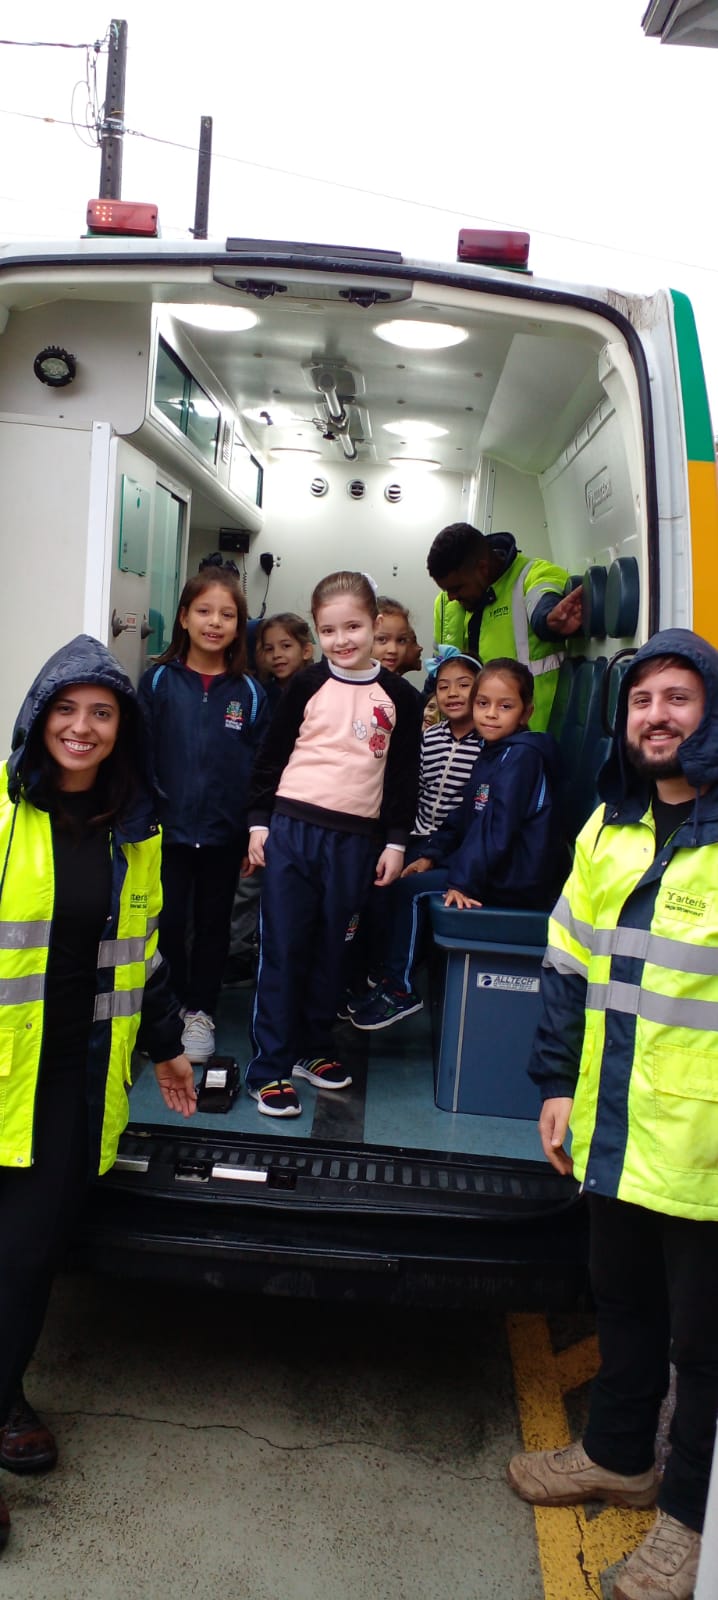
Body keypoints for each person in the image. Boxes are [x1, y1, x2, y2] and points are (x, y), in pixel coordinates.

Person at [506, 629, 718, 1600]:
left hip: (703, 1146)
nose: (656, 716)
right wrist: (556, 1084)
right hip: (615, 1124)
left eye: (678, 698)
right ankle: (618, 1456)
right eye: (641, 700)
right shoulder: (608, 827)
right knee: (621, 1301)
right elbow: (566, 966)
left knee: (703, 1349)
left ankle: (690, 1526)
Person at [0, 635, 196, 1552]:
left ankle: (4, 1397)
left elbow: (140, 953)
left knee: (28, 1255)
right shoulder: (5, 813)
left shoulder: (135, 834)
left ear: (125, 729)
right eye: (66, 709)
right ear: (38, 718)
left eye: (102, 713)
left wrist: (168, 1046)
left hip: (68, 1075)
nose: (82, 728)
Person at [245, 570, 421, 1117]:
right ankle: (269, 1067)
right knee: (284, 949)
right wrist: (258, 824)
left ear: (375, 624)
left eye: (353, 627)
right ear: (317, 632)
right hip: (293, 832)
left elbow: (403, 778)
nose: (342, 640)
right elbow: (271, 757)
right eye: (328, 630)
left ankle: (313, 1048)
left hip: (356, 843)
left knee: (334, 951)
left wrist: (396, 843)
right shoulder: (305, 685)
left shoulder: (401, 697)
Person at [350, 658, 564, 1030]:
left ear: (526, 712)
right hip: (496, 868)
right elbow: (465, 816)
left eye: (505, 706)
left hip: (516, 879)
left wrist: (464, 882)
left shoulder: (522, 756)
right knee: (407, 878)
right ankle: (387, 978)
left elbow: (497, 831)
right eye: (483, 703)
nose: (491, 714)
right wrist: (432, 856)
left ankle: (400, 989)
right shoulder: (494, 751)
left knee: (411, 892)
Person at [138, 568, 268, 1064]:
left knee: (214, 926)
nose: (215, 622)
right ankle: (167, 1010)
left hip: (223, 835)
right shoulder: (157, 682)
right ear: (184, 618)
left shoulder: (250, 693)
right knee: (168, 923)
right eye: (204, 611)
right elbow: (139, 758)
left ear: (239, 626)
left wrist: (254, 828)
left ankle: (200, 1013)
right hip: (165, 832)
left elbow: (262, 771)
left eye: (227, 615)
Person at [224, 613, 314, 987]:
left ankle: (286, 955)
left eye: (286, 646)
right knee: (249, 880)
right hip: (265, 802)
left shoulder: (319, 691)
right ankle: (238, 953)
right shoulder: (260, 695)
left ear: (307, 650)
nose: (277, 655)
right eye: (268, 648)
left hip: (303, 802)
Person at [427, 521, 583, 730]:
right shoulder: (445, 603)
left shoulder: (532, 574)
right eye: (446, 590)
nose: (451, 597)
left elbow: (542, 602)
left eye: (457, 588)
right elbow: (437, 674)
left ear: (482, 568)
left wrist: (548, 620)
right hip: (468, 739)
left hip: (529, 735)